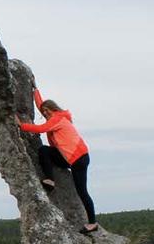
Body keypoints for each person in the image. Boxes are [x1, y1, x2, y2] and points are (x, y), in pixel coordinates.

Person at [16, 86, 98, 234]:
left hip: (78, 158)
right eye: (44, 111)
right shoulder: (55, 117)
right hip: (70, 158)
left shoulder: (58, 118)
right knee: (44, 151)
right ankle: (50, 180)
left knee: (82, 191)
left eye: (48, 110)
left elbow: (41, 129)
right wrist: (34, 90)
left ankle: (93, 223)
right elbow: (42, 106)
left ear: (54, 109)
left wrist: (21, 125)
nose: (45, 112)